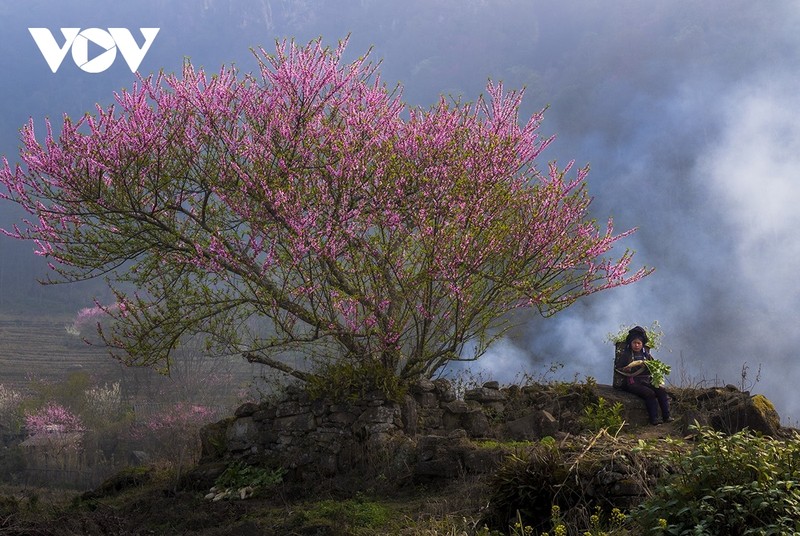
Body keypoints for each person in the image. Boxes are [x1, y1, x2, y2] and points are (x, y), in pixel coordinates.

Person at [613, 326, 671, 425]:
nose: (636, 345)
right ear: (630, 343)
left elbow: (653, 367)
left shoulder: (646, 355)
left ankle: (667, 416)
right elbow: (618, 368)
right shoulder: (626, 355)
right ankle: (654, 419)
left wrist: (651, 367)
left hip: (646, 381)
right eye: (634, 343)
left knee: (661, 391)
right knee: (650, 393)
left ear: (642, 344)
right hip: (631, 382)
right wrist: (626, 368)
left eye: (639, 343)